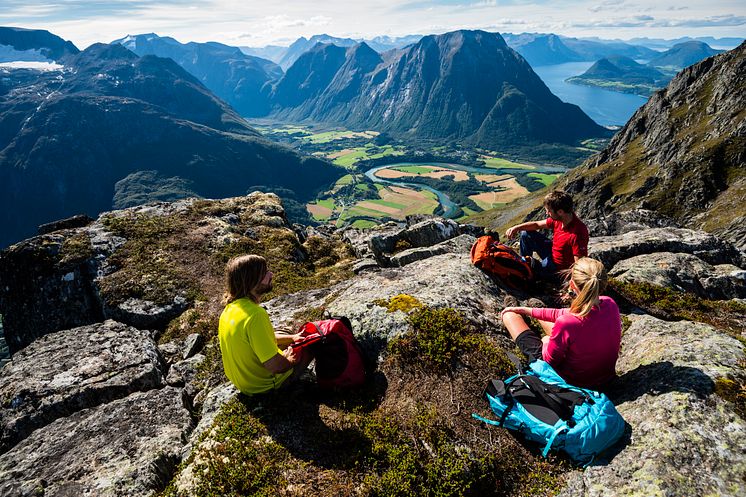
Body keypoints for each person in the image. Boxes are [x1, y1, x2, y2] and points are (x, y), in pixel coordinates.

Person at [501, 257, 621, 389]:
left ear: (572, 284)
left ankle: (514, 313)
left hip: (575, 384)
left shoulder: (567, 323)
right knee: (557, 324)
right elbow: (565, 314)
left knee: (509, 316)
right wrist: (528, 311)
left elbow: (548, 362)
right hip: (605, 378)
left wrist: (546, 341)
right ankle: (535, 309)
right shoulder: (610, 303)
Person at [218, 254, 311, 395]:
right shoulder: (256, 315)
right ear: (252, 281)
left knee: (285, 332)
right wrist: (289, 360)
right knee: (312, 345)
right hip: (263, 386)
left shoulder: (230, 309)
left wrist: (292, 338)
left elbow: (258, 340)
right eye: (265, 273)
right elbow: (276, 366)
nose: (271, 274)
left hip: (244, 383)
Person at [504, 190, 589, 280]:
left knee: (536, 267)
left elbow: (579, 265)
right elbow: (537, 225)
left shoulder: (578, 233)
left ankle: (527, 272)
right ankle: (524, 265)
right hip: (552, 252)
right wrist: (516, 228)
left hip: (557, 269)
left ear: (560, 212)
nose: (547, 213)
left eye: (549, 211)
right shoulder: (560, 219)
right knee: (525, 234)